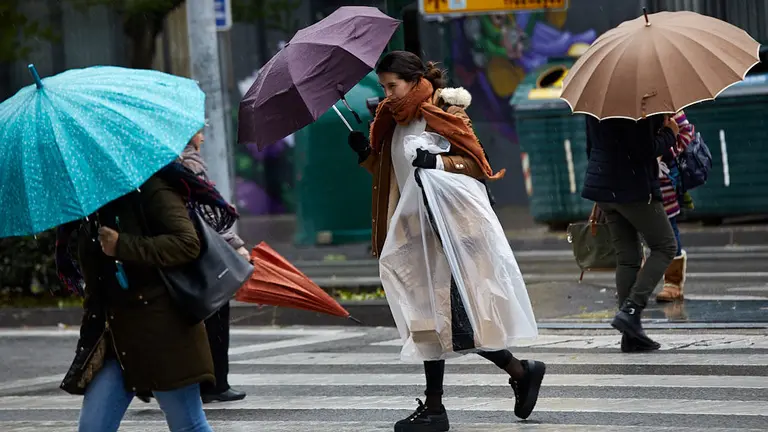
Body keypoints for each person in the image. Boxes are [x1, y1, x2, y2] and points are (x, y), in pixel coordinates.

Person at [347, 50, 546, 432]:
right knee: (427, 320)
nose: (387, 94)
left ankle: (511, 376)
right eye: (384, 87)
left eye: (394, 86)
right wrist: (365, 155)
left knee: (459, 319)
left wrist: (437, 163)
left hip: (449, 235)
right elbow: (395, 175)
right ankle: (453, 400)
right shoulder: (390, 121)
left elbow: (477, 163)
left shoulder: (444, 111)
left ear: (414, 79)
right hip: (411, 234)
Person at [54, 162, 235, 431]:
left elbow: (187, 243)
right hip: (115, 342)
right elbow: (96, 286)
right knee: (93, 427)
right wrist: (89, 341)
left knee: (188, 425)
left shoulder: (150, 187)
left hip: (162, 333)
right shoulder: (86, 209)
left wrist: (122, 245)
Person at [582, 113, 680, 353]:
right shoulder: (640, 103)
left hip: (604, 187)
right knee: (665, 246)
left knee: (628, 259)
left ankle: (631, 334)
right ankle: (631, 310)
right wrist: (669, 134)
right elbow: (642, 149)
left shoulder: (599, 98)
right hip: (633, 188)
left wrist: (603, 182)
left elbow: (591, 146)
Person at [656, 111, 695, 302]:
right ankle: (635, 281)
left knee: (668, 226)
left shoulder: (665, 104)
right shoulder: (626, 103)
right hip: (634, 177)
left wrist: (668, 149)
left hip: (662, 178)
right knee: (632, 230)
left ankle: (673, 283)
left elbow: (686, 130)